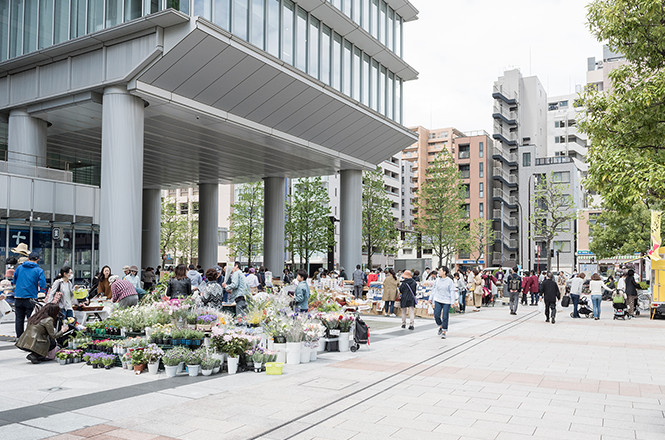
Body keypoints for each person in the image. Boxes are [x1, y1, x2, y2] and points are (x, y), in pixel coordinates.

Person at [12, 252, 46, 338]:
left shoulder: (19, 268)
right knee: (31, 320)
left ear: (28, 258)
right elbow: (42, 284)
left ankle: (19, 338)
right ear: (37, 260)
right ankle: (29, 338)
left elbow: (14, 281)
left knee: (19, 319)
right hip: (31, 298)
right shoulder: (39, 270)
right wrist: (42, 293)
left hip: (18, 297)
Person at [430, 267, 457, 339]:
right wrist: (431, 298)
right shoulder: (437, 280)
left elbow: (452, 291)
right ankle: (440, 326)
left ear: (444, 272)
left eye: (440, 271)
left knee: (445, 316)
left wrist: (452, 302)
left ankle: (444, 331)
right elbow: (434, 290)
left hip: (446, 301)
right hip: (438, 299)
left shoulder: (449, 281)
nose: (438, 272)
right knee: (436, 315)